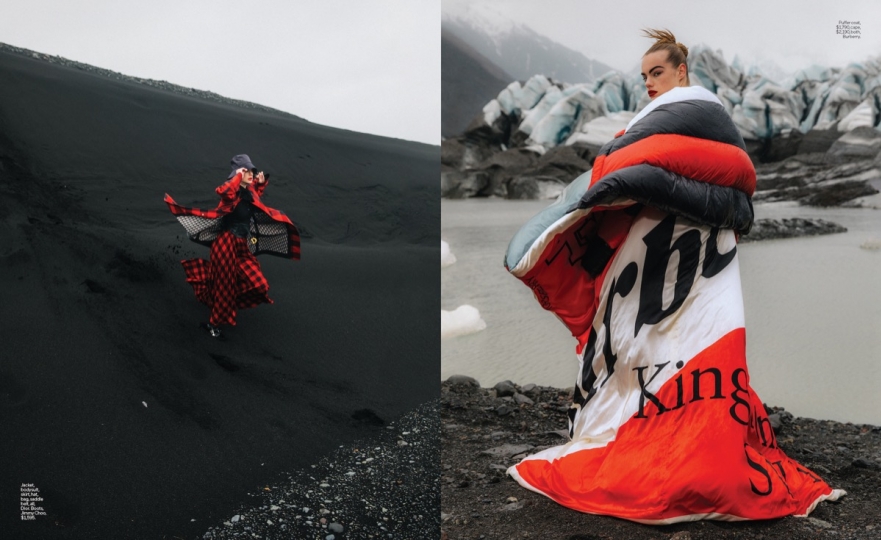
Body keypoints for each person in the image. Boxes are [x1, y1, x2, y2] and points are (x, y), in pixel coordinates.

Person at [503, 29, 844, 523]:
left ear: (682, 71)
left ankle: (692, 441)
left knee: (690, 337)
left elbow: (680, 177)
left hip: (695, 252)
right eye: (644, 75)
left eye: (658, 72)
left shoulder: (696, 116)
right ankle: (659, 426)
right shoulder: (657, 126)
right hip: (659, 249)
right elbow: (647, 176)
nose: (649, 82)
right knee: (648, 342)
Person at [164, 154, 301, 339]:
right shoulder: (231, 194)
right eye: (247, 171)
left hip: (241, 245)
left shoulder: (249, 192)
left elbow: (255, 196)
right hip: (225, 245)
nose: (251, 174)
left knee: (259, 284)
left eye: (252, 170)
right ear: (238, 173)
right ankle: (213, 324)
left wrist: (260, 184)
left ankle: (215, 292)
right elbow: (224, 191)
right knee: (225, 286)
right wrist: (237, 176)